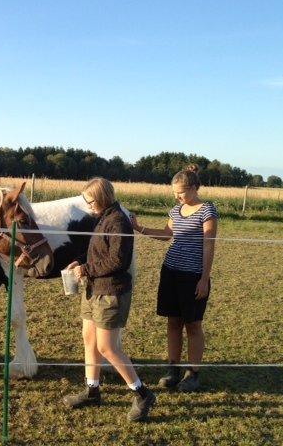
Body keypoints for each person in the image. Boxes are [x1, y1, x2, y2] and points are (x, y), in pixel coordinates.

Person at [62, 177, 156, 422]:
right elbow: (98, 251)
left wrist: (87, 270)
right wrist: (80, 263)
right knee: (89, 339)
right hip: (94, 289)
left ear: (103, 197)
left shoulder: (119, 222)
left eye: (91, 200)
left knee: (108, 347)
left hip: (111, 292)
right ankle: (92, 390)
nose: (89, 205)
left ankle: (143, 394)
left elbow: (118, 261)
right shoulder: (103, 218)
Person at [130, 165, 218, 392]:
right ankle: (173, 369)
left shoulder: (207, 210)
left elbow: (209, 246)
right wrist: (139, 228)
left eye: (180, 192)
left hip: (193, 277)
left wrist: (204, 279)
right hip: (170, 273)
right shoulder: (175, 211)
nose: (177, 196)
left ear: (195, 188)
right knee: (173, 323)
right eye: (174, 193)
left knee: (193, 325)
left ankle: (193, 373)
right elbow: (167, 235)